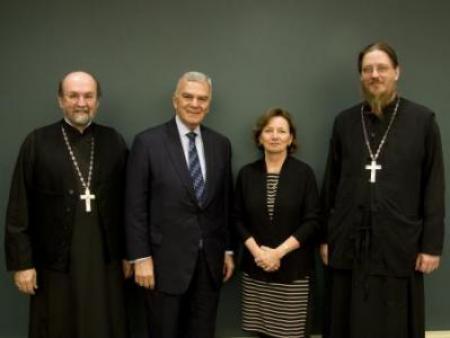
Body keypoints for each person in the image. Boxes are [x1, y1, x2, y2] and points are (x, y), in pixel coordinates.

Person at [320, 42, 445, 338]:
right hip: (349, 241)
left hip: (399, 243)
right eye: (367, 69)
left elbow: (434, 184)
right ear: (361, 76)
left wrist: (431, 245)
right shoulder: (345, 122)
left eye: (382, 68)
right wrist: (326, 237)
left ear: (397, 72)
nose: (374, 75)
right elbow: (332, 182)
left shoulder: (422, 121)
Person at [4, 71, 132, 338]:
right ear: (60, 100)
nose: (81, 102)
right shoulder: (37, 142)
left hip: (104, 259)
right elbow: (19, 205)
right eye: (73, 96)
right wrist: (22, 264)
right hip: (55, 261)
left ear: (98, 101)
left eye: (89, 96)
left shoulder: (113, 141)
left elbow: (128, 204)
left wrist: (129, 253)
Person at [125, 71, 234, 338]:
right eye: (188, 96)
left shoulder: (220, 144)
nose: (195, 104)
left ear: (208, 105)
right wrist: (140, 258)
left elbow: (225, 202)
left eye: (202, 99)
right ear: (175, 100)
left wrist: (228, 250)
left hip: (209, 263)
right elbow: (134, 205)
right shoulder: (148, 142)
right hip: (163, 265)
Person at [234, 108, 320, 338]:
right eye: (268, 130)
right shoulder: (246, 174)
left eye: (281, 131)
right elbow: (237, 219)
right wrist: (259, 255)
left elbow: (312, 221)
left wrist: (277, 254)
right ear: (260, 137)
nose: (274, 136)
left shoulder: (304, 174)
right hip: (256, 271)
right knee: (260, 332)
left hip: (293, 273)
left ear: (290, 138)